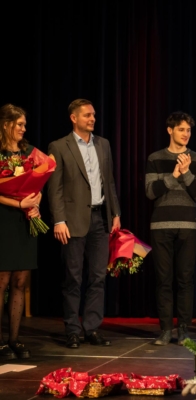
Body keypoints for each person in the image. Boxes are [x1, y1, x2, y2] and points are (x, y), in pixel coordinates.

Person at [47, 99, 121, 349]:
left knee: (98, 277)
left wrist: (115, 213)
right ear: (74, 118)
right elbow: (55, 188)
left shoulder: (103, 144)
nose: (92, 119)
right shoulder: (59, 146)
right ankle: (72, 329)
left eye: (93, 115)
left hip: (100, 218)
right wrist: (59, 220)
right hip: (73, 221)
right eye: (87, 115)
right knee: (73, 278)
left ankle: (92, 328)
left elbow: (109, 182)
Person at [145, 111, 196, 346]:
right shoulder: (155, 158)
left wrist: (187, 172)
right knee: (163, 279)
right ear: (170, 130)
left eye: (188, 130)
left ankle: (183, 330)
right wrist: (173, 175)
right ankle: (165, 330)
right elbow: (150, 192)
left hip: (188, 226)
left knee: (185, 279)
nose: (186, 134)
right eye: (181, 129)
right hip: (161, 225)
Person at [0, 104, 42, 359]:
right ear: (6, 125)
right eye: (19, 124)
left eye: (25, 124)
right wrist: (18, 203)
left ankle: (14, 339)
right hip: (3, 220)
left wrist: (35, 203)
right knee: (2, 280)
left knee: (20, 281)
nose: (24, 129)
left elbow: (40, 181)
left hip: (24, 221)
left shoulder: (29, 152)